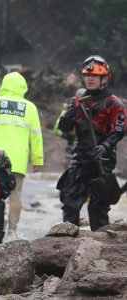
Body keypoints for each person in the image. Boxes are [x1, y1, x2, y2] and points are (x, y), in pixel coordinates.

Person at [57, 55, 125, 231]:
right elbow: (64, 127)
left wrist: (105, 146)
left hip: (102, 163)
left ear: (104, 78)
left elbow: (118, 130)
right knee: (70, 205)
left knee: (97, 209)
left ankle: (99, 248)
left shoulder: (114, 103)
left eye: (94, 76)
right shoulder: (79, 101)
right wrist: (70, 113)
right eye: (87, 76)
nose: (90, 79)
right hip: (80, 160)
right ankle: (67, 246)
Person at [0, 71, 44, 239]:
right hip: (18, 160)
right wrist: (38, 159)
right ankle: (12, 233)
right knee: (15, 195)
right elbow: (36, 136)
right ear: (23, 88)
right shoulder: (30, 107)